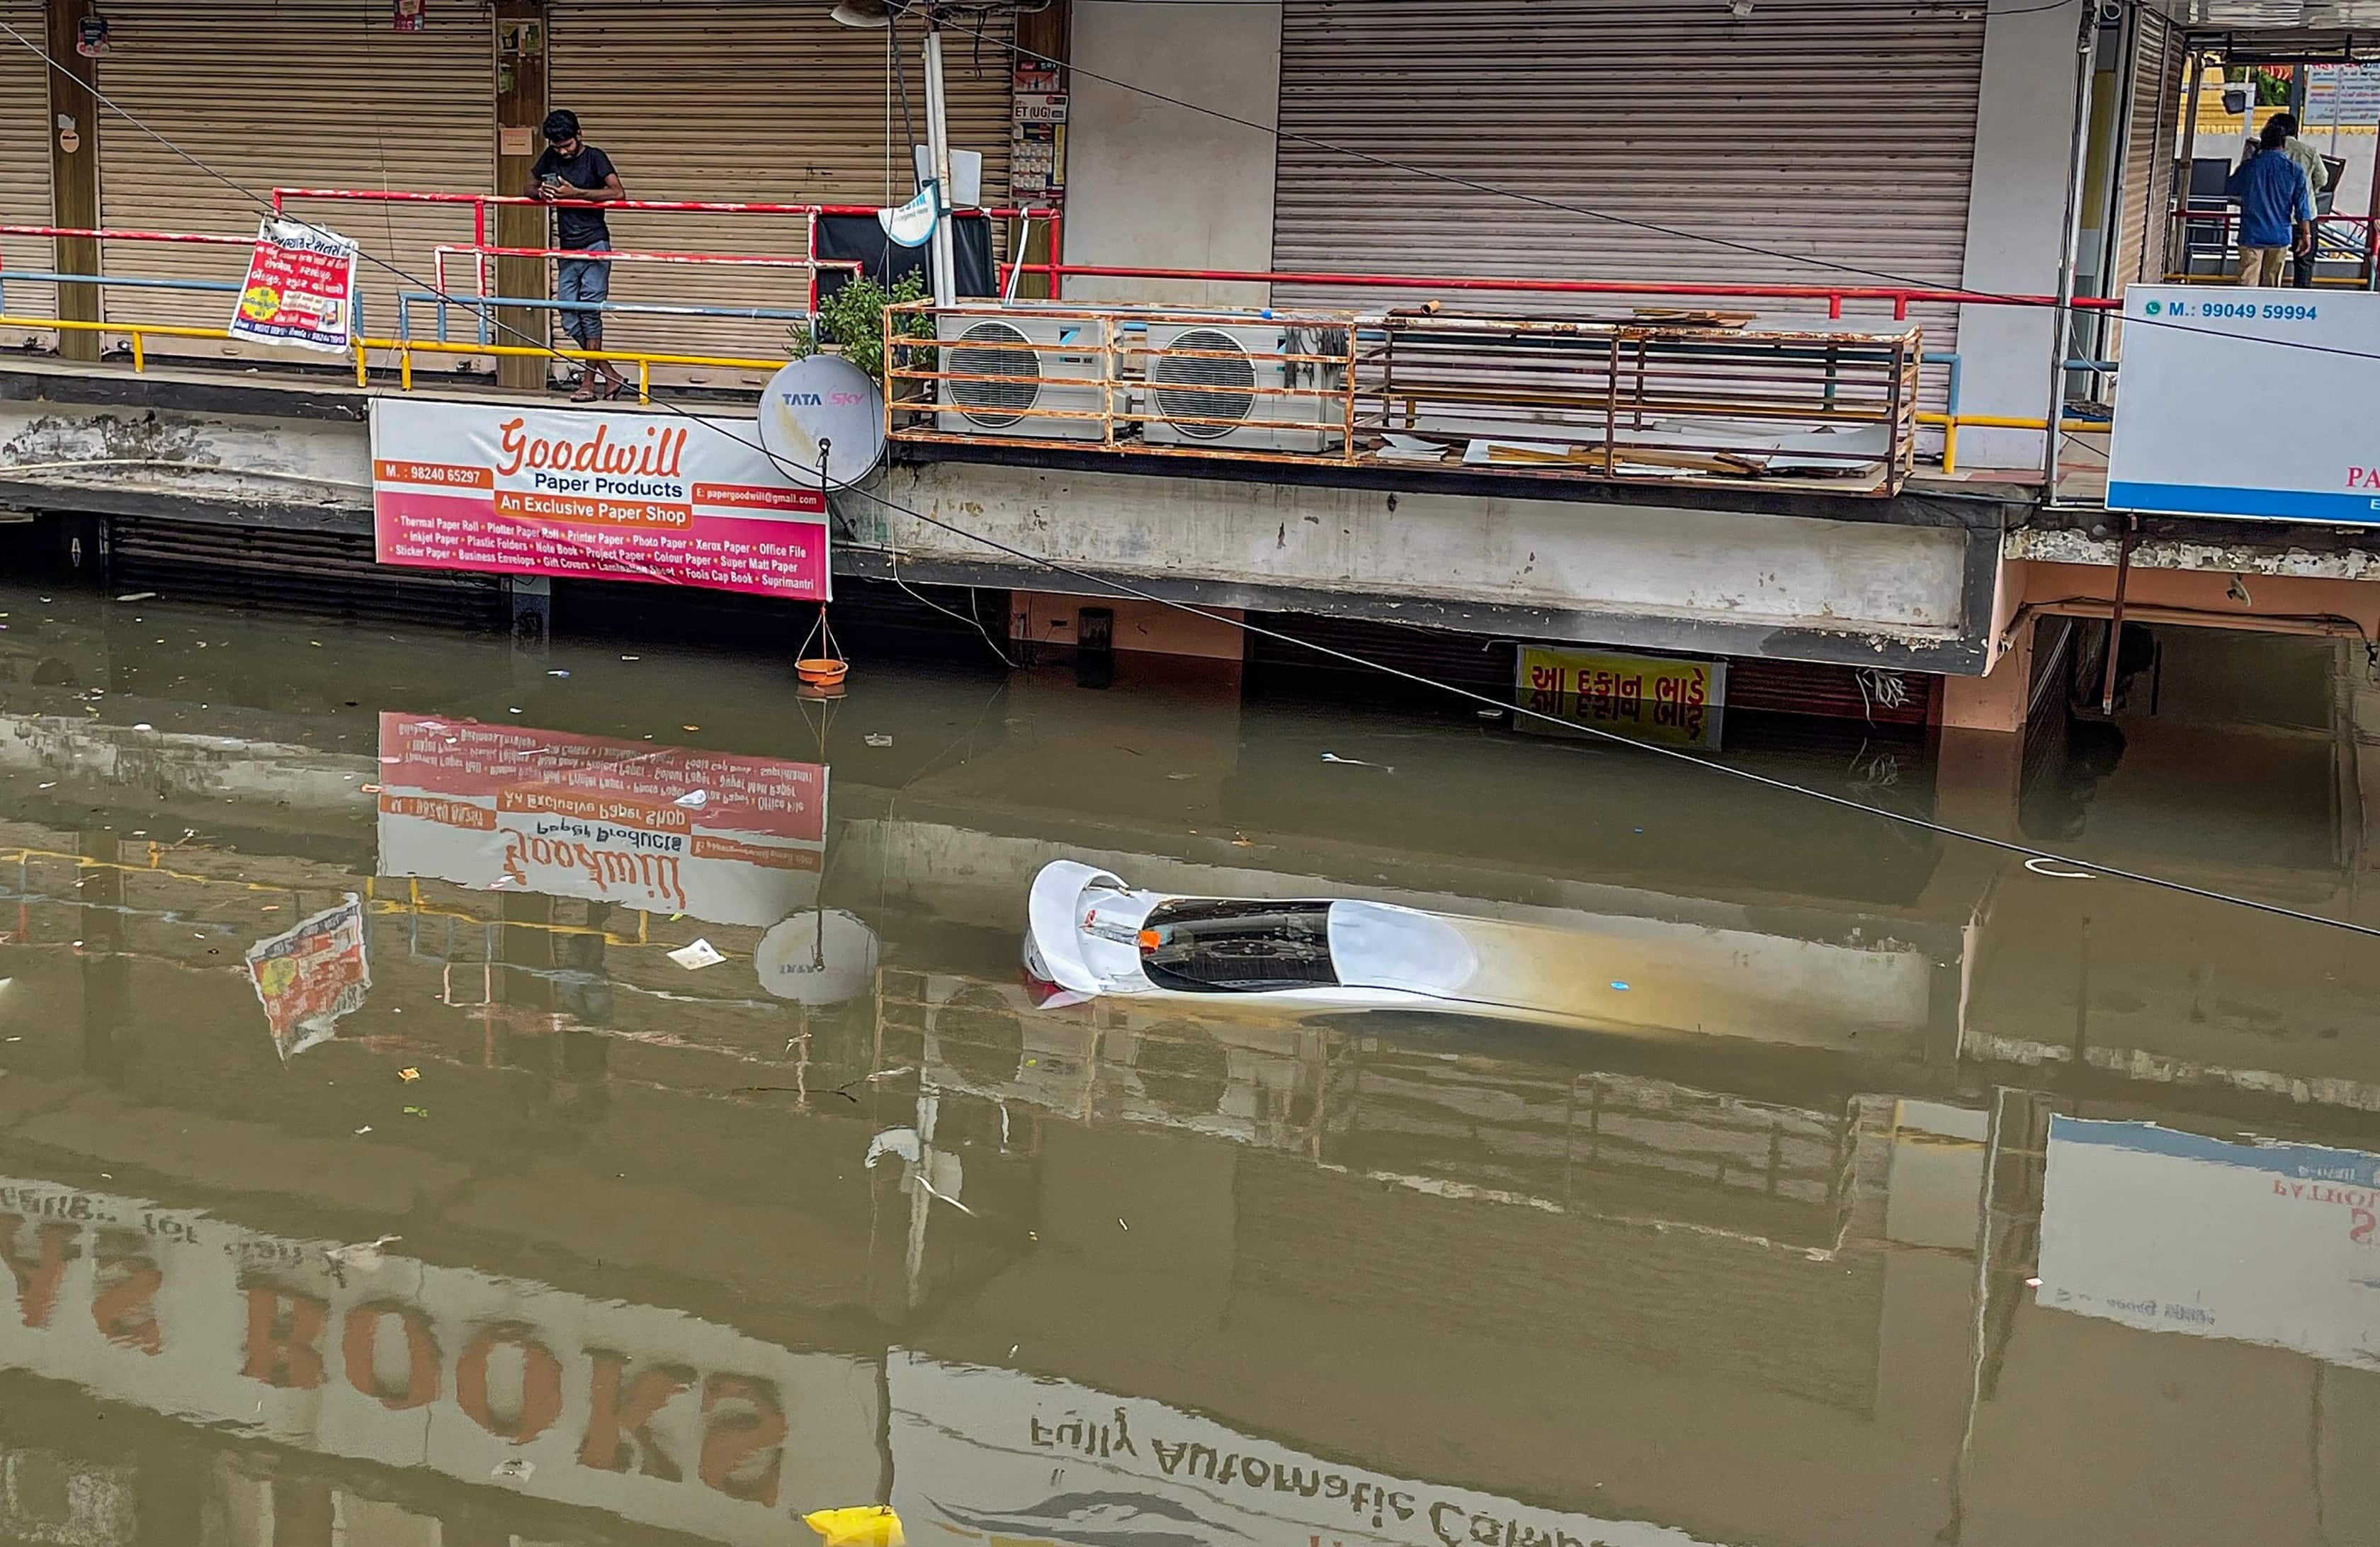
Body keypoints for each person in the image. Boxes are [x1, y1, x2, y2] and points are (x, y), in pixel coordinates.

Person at [528, 109, 628, 401]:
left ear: (579, 135)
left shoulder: (596, 157)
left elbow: (618, 193)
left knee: (589, 311)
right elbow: (528, 185)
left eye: (567, 145)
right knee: (569, 315)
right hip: (567, 246)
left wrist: (576, 194)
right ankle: (610, 375)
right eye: (558, 146)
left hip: (595, 244)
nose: (563, 151)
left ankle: (588, 383)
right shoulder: (551, 156)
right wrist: (540, 192)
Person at [2226, 118, 2313, 288]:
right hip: (2279, 235)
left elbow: (2231, 188)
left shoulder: (2250, 167)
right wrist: (2306, 235)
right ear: (2283, 145)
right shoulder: (2294, 170)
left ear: (2262, 144)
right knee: (2272, 285)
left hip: (2251, 233)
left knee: (2247, 283)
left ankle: (2246, 312)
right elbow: (2303, 207)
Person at [2267, 113, 2331, 288]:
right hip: (2306, 216)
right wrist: (2311, 190)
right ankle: (2302, 299)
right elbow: (2323, 178)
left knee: (2271, 264)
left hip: (2276, 216)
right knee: (2304, 262)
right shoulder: (2309, 151)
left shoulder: (2267, 152)